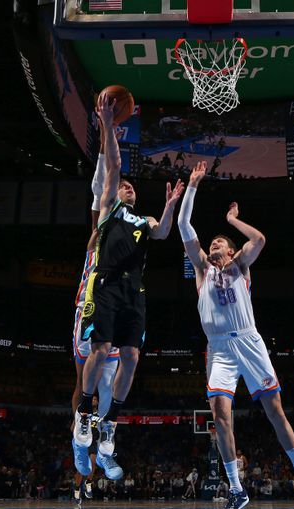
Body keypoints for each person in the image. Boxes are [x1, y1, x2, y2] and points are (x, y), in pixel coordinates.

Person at [177, 161, 294, 509]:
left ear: (230, 250)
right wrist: (192, 186)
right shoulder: (201, 270)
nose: (214, 244)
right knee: (220, 416)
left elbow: (259, 240)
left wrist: (232, 222)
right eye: (211, 242)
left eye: (219, 242)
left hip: (249, 343)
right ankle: (237, 491)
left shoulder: (241, 265)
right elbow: (182, 225)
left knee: (275, 411)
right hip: (219, 350)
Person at [73, 92, 184, 479]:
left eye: (132, 187)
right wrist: (107, 123)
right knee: (100, 348)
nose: (129, 187)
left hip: (133, 291)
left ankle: (111, 422)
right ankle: (84, 411)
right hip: (104, 283)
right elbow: (115, 163)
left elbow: (165, 232)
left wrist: (170, 206)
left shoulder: (143, 220)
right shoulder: (107, 207)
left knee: (132, 356)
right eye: (125, 186)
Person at [71, 113, 120, 482]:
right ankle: (79, 434)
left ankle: (104, 440)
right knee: (83, 383)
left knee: (109, 387)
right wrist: (106, 129)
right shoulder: (101, 226)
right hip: (90, 307)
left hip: (118, 310)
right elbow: (103, 178)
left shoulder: (135, 229)